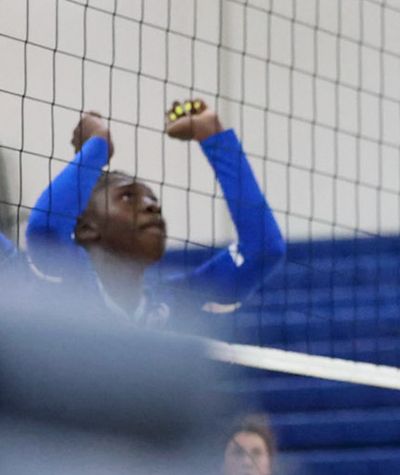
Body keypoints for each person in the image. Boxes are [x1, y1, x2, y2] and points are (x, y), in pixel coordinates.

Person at [25, 102, 286, 327]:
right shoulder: (69, 282)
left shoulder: (175, 300)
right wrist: (97, 146)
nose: (152, 206)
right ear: (85, 228)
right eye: (128, 196)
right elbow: (45, 228)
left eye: (153, 199)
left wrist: (215, 137)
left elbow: (263, 249)